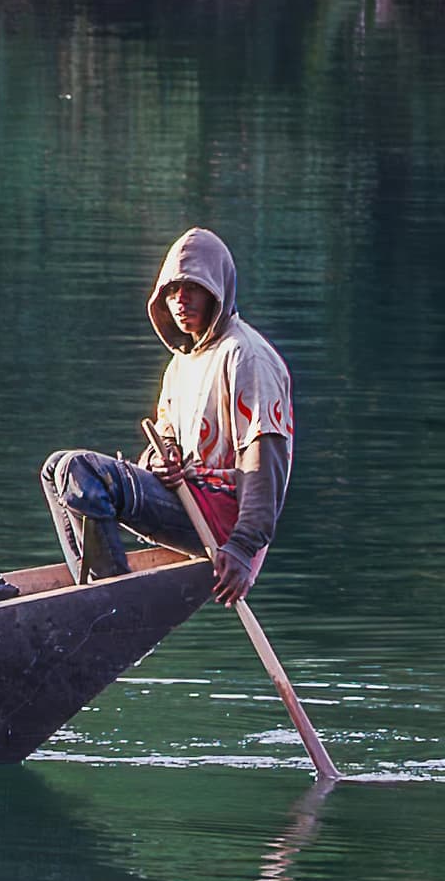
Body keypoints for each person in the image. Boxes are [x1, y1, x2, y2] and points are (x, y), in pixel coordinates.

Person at [41, 228, 293, 604]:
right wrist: (161, 460)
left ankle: (115, 603)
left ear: (217, 291)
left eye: (193, 288)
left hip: (221, 519)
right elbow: (163, 439)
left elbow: (265, 458)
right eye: (173, 291)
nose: (181, 300)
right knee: (55, 467)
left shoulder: (245, 355)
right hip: (186, 499)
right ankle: (90, 589)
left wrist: (243, 546)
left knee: (81, 469)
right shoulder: (181, 365)